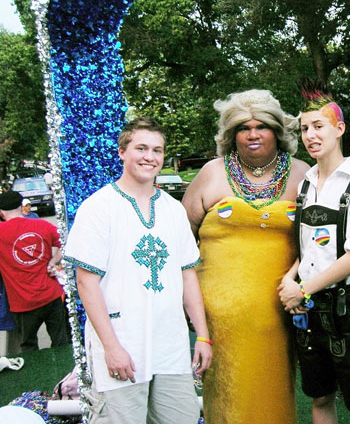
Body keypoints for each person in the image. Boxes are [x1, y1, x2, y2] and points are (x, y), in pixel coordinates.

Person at [63, 117, 212, 424]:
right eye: (141, 148)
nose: (149, 157)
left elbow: (188, 276)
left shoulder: (173, 209)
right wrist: (111, 348)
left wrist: (203, 336)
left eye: (157, 150)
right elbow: (86, 283)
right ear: (122, 152)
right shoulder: (98, 207)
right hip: (122, 345)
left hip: (170, 346)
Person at [182, 89, 309, 424]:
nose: (253, 134)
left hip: (280, 310)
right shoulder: (211, 172)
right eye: (243, 127)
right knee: (229, 399)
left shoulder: (303, 174)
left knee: (273, 391)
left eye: (261, 126)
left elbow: (319, 242)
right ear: (231, 134)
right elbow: (180, 240)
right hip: (220, 316)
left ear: (277, 131)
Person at [278, 78, 350, 424]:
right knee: (320, 397)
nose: (310, 135)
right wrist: (290, 278)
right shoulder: (305, 183)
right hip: (308, 312)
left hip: (347, 311)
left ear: (339, 129)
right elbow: (309, 249)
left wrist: (302, 289)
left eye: (318, 126)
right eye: (305, 128)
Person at [0, 190, 67, 351]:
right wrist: (54, 261)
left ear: (1, 212)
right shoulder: (42, 225)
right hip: (51, 295)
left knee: (28, 346)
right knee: (61, 342)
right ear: (21, 207)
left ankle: (34, 368)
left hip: (22, 302)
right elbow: (65, 242)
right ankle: (64, 367)